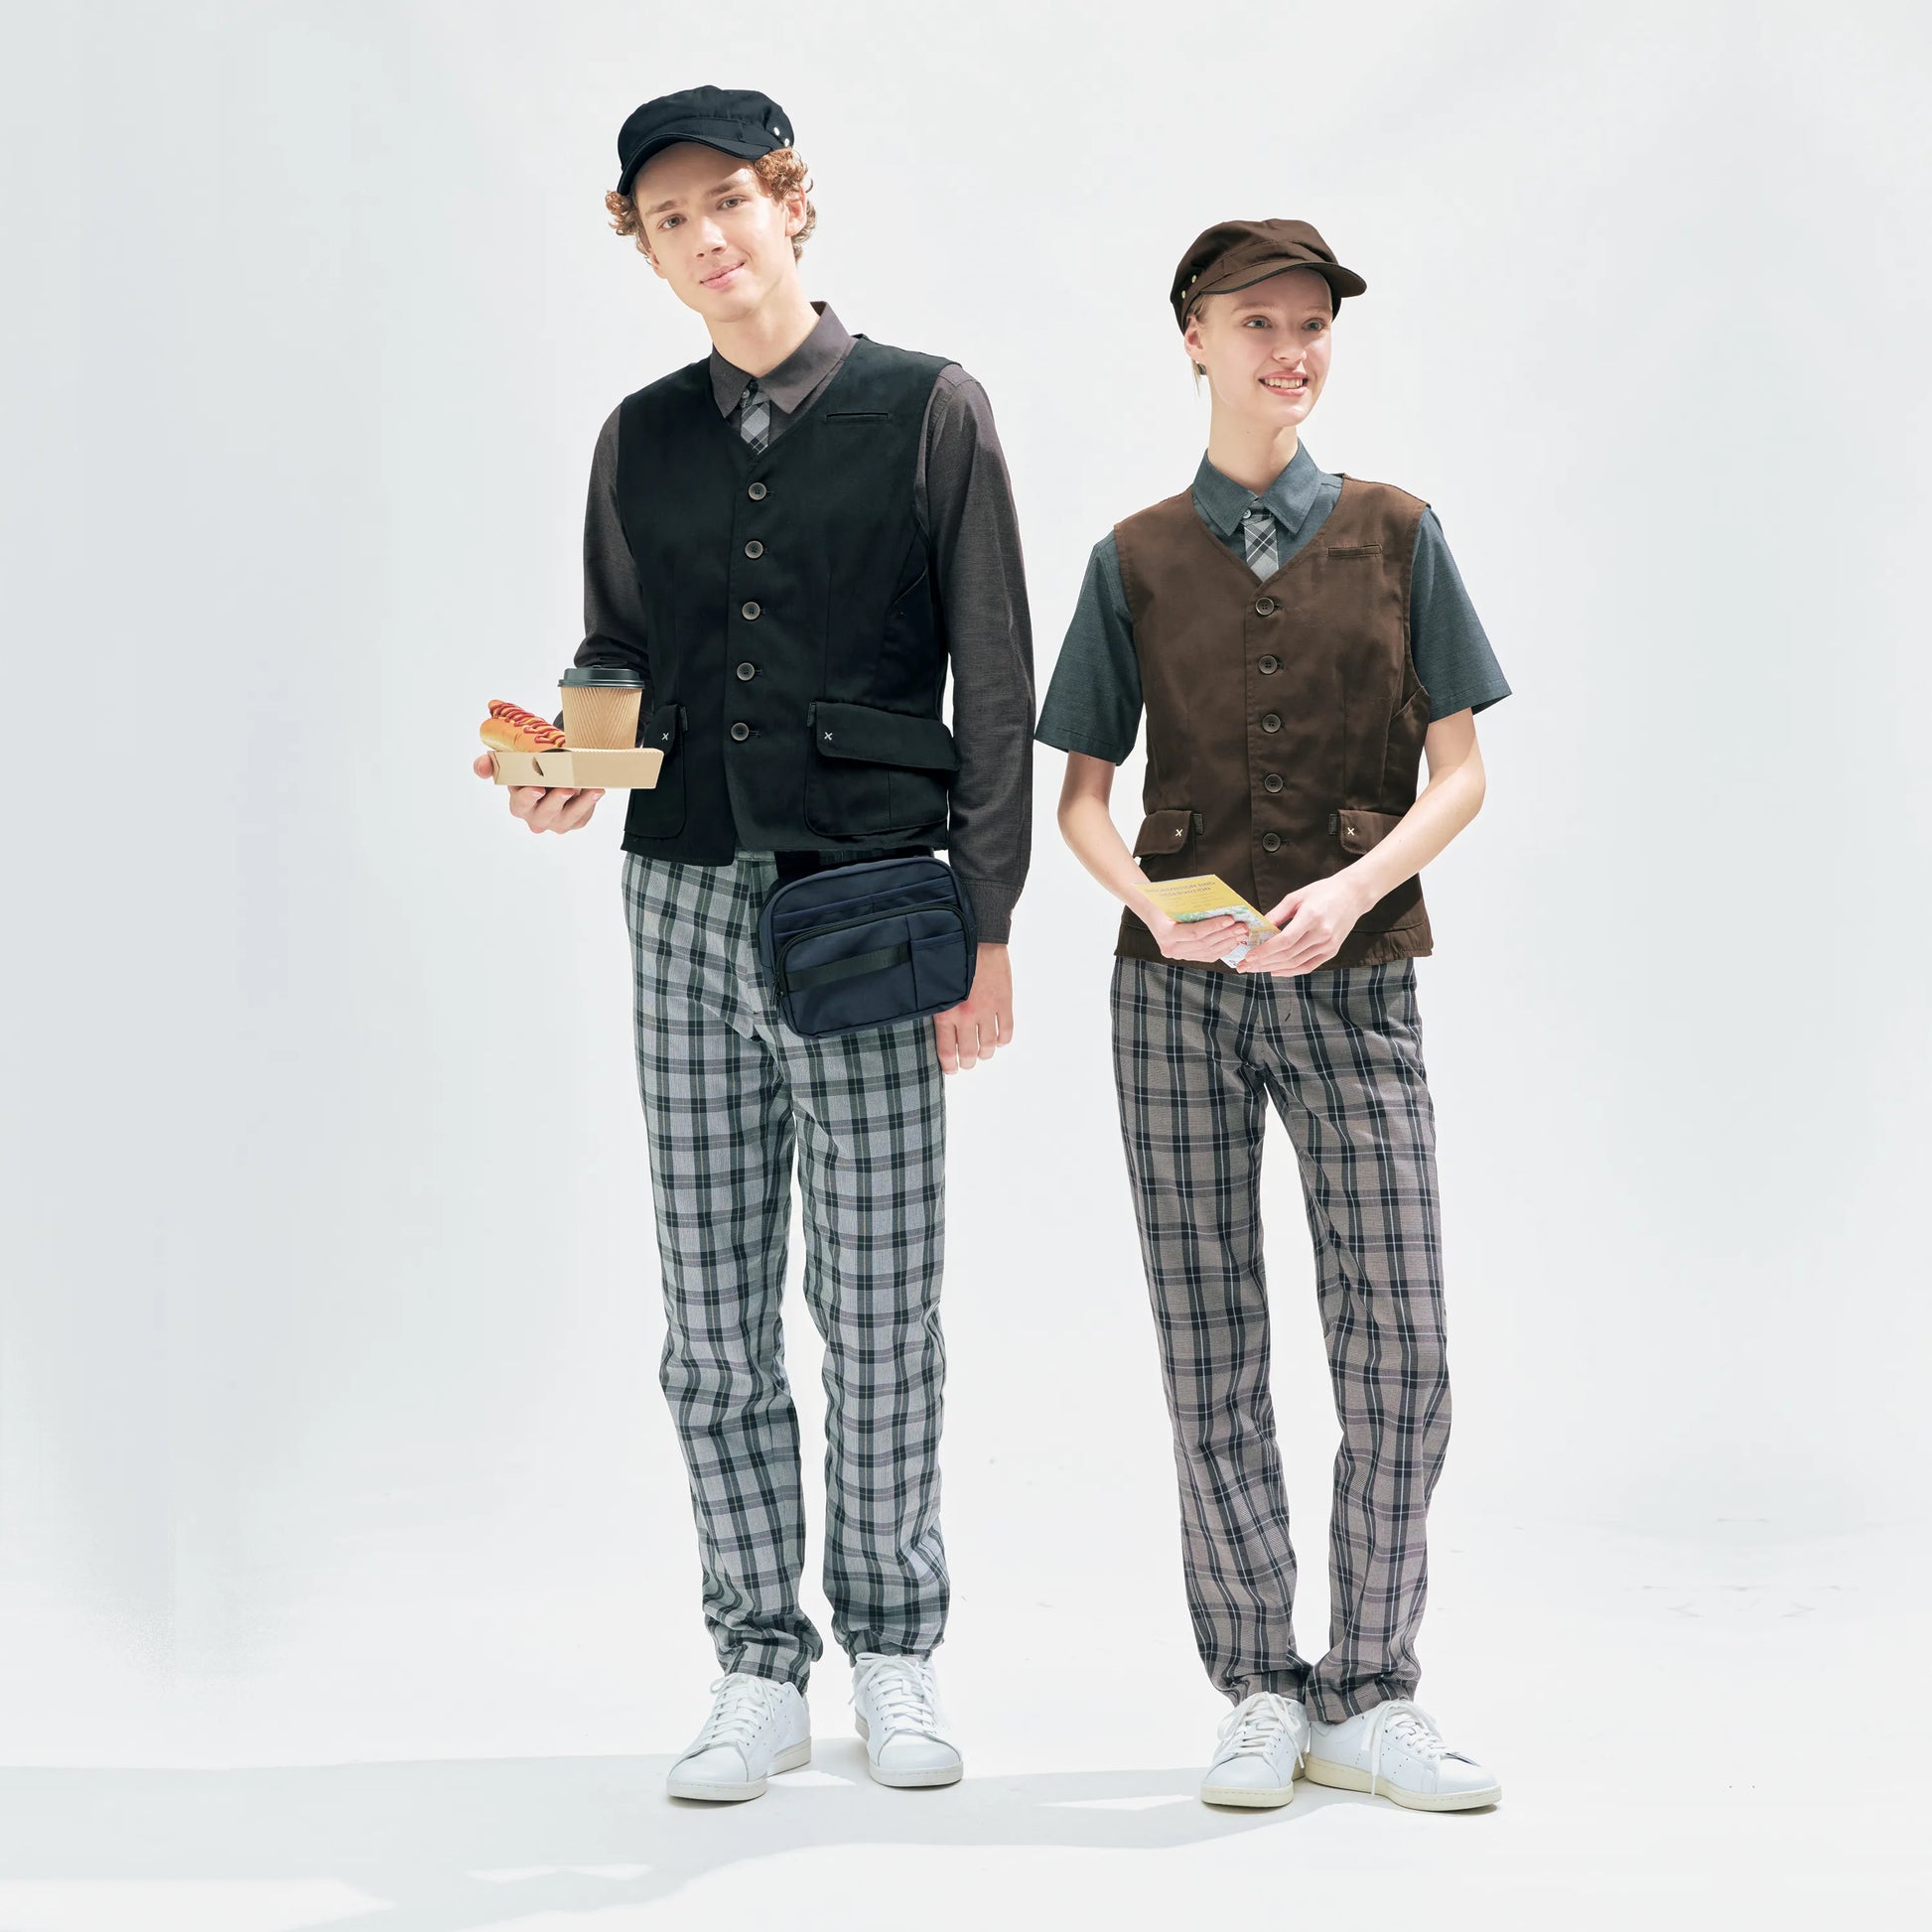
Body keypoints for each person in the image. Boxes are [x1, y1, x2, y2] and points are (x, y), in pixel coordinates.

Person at [474, 84, 1034, 1801]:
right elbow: (616, 645)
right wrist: (571, 765)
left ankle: (896, 1647)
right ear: (646, 254)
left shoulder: (930, 408)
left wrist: (989, 928)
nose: (707, 237)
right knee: (710, 1320)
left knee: (879, 1307)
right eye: (670, 221)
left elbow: (996, 687)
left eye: (730, 200)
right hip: (678, 901)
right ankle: (754, 1662)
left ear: (790, 201)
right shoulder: (637, 435)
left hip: (870, 905)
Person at [1035, 218, 1508, 1813]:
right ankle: (1256, 1684)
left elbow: (1461, 774)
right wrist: (1146, 897)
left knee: (1401, 1344)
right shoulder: (1130, 557)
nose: (1290, 350)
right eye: (1258, 323)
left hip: (1357, 982)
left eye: (1311, 325)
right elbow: (1080, 800)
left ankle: (1368, 1689)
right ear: (1192, 337)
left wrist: (1352, 889)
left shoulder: (1397, 532)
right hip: (1172, 997)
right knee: (1207, 1340)